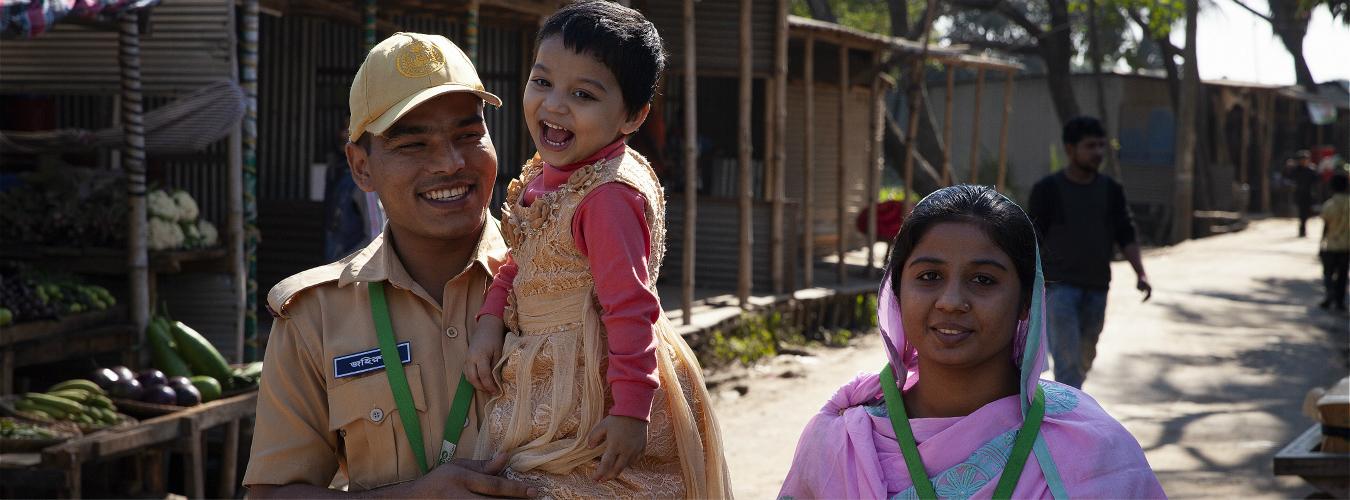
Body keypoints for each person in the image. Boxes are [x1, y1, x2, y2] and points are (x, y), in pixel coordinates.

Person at [243, 33, 537, 498]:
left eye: (468, 134)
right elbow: (271, 494)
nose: (450, 163)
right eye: (413, 145)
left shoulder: (562, 281)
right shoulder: (315, 317)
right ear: (360, 167)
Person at [466, 2, 730, 497]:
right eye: (542, 82)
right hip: (543, 375)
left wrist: (630, 411)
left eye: (583, 93)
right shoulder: (544, 176)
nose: (555, 106)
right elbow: (521, 258)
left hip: (596, 387)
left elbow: (630, 306)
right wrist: (489, 320)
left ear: (632, 116)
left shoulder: (607, 197)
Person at [778, 185, 1165, 499]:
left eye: (983, 280)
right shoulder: (840, 444)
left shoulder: (1093, 448)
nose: (950, 302)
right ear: (896, 291)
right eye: (929, 276)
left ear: (1026, 301)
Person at [1028, 116, 1150, 390]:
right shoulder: (1047, 191)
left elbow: (1125, 233)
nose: (1097, 153)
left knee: (1085, 357)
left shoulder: (1111, 191)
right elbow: (1031, 239)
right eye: (1090, 146)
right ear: (1070, 150)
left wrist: (1140, 273)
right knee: (1068, 361)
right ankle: (1068, 415)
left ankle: (1069, 401)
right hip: (1059, 290)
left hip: (1097, 288)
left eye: (1101, 146)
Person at [1320, 174, 1349, 312]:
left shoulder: (1329, 205)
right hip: (1346, 246)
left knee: (1328, 273)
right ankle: (1340, 301)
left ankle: (1329, 294)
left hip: (1331, 245)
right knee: (1343, 275)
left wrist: (1321, 243)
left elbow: (1325, 226)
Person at [1286, 150, 1321, 237]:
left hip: (1309, 194)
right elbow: (1288, 177)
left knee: (1307, 213)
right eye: (1302, 159)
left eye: (1306, 159)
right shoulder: (1296, 170)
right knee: (1302, 213)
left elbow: (1317, 180)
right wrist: (1288, 168)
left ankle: (1303, 228)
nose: (1304, 161)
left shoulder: (1311, 170)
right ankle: (1302, 229)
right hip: (1299, 194)